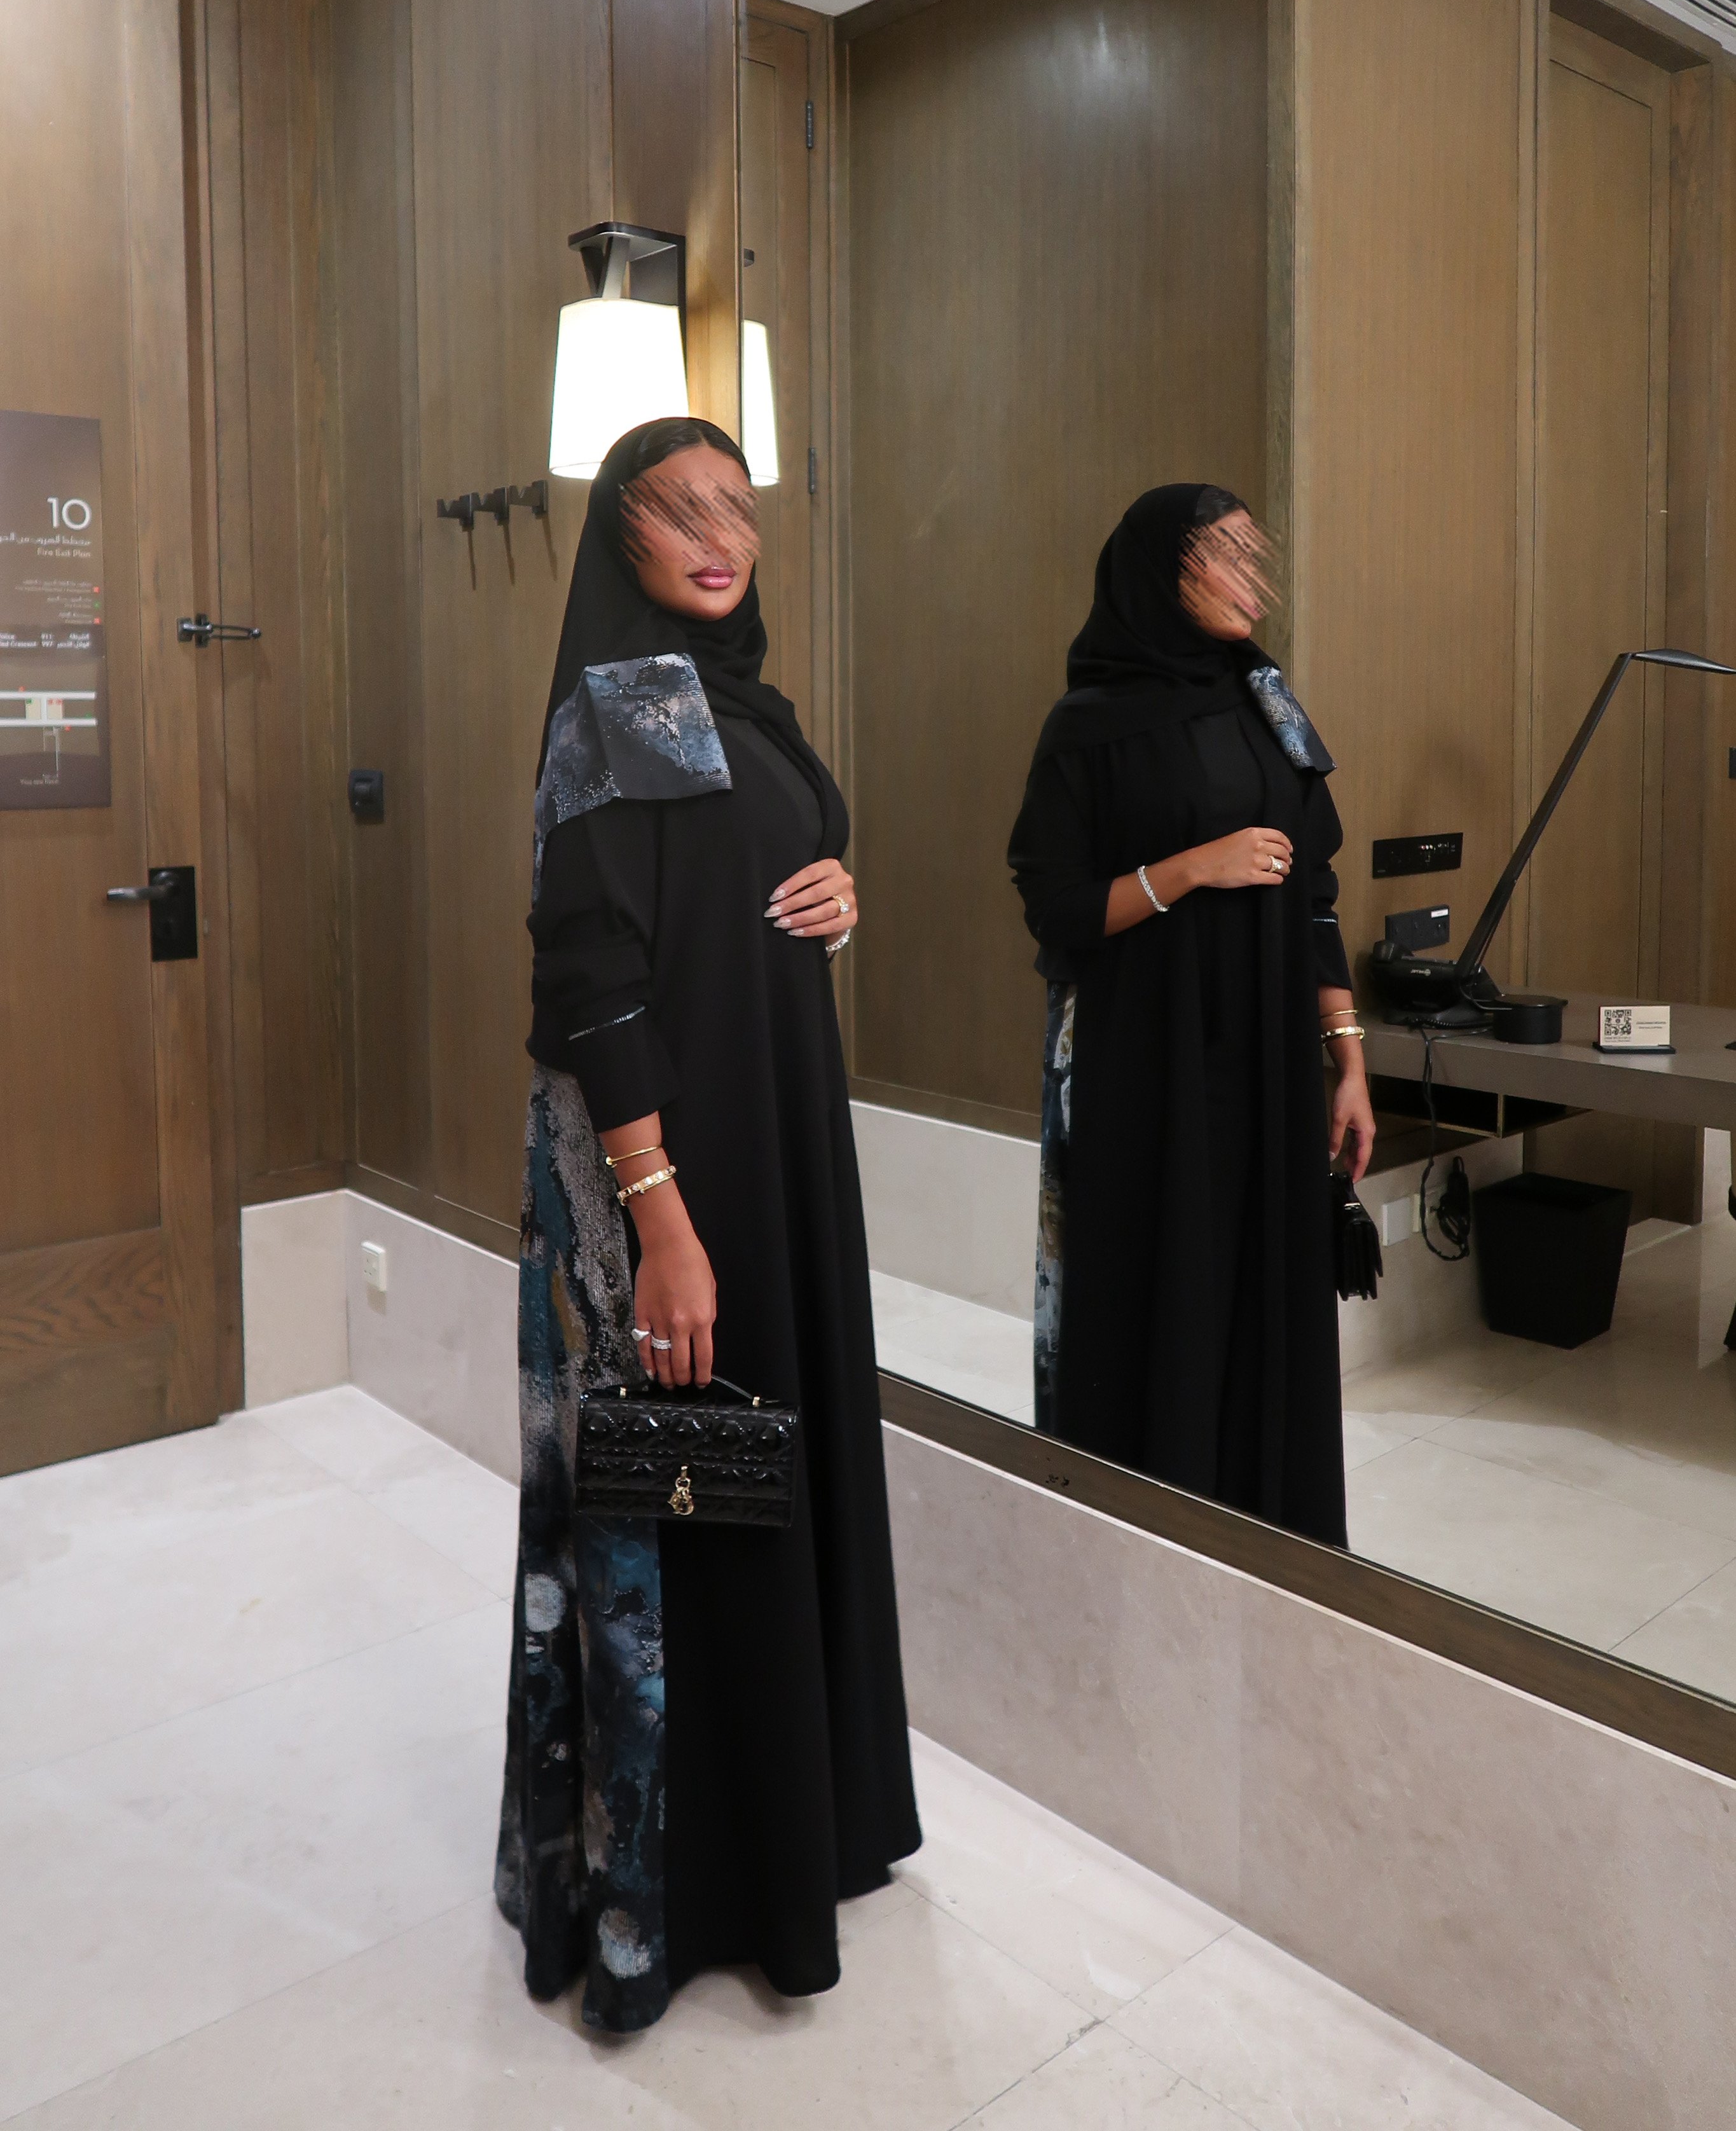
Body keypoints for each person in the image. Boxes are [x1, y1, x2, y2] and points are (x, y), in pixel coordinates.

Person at [495, 417, 920, 2032]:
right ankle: (669, 1896)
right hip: (673, 1161)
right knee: (675, 1505)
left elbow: (776, 854)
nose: (719, 534)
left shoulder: (741, 699)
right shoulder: (620, 709)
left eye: (737, 505)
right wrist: (662, 1221)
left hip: (777, 1134)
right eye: (679, 509)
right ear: (622, 536)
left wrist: (837, 888)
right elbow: (589, 973)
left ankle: (788, 1834)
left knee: (758, 1478)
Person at [1007, 481, 1374, 1548]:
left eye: (1257, 553)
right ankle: (1142, 1532)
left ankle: (1269, 1534)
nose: (1255, 578)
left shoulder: (1266, 696)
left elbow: (1315, 890)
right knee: (1154, 1280)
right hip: (1142, 1053)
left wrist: (1346, 1058)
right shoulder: (1087, 725)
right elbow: (1055, 906)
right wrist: (1189, 869)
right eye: (1225, 555)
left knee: (1261, 1283)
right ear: (1159, 576)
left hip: (1265, 1052)